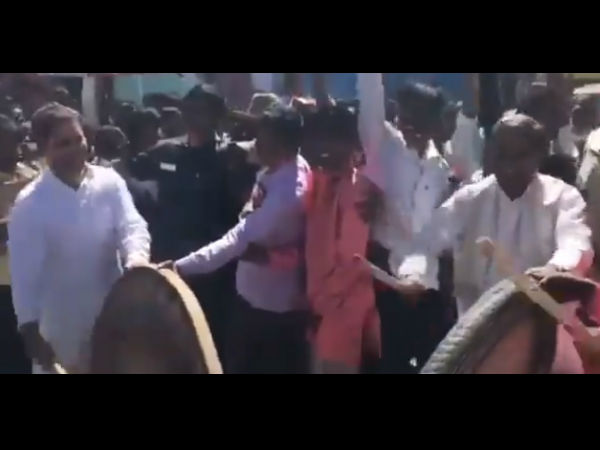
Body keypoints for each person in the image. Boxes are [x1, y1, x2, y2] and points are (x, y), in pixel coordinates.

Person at [165, 105, 311, 374]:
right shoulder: (280, 166)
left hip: (272, 311)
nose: (256, 144)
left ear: (283, 144)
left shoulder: (287, 196)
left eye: (264, 139)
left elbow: (235, 242)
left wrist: (180, 267)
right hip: (248, 297)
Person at [403, 114, 593, 317]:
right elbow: (426, 242)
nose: (509, 167)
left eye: (520, 157)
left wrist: (554, 270)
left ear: (539, 155)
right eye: (502, 156)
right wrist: (415, 275)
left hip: (539, 321)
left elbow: (575, 244)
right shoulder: (470, 199)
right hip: (477, 323)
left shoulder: (562, 197)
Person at [8, 103, 150, 374]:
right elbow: (25, 279)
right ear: (43, 148)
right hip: (61, 335)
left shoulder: (109, 182)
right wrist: (30, 330)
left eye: (78, 139)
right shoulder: (29, 205)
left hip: (113, 324)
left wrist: (136, 259)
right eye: (63, 144)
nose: (76, 149)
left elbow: (132, 226)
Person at [128, 84, 238, 357]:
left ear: (216, 116)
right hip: (168, 266)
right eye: (188, 109)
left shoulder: (230, 157)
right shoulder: (165, 152)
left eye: (201, 110)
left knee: (210, 347)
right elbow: (128, 174)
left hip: (212, 274)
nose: (192, 116)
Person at [355, 73, 452, 373]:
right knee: (391, 363)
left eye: (420, 117)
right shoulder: (383, 145)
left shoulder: (441, 168)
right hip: (386, 280)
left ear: (435, 123)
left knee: (433, 362)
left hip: (427, 285)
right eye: (406, 115)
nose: (409, 124)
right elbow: (370, 94)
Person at [303, 104, 380, 374]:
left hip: (341, 308)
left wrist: (321, 305)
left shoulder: (359, 189)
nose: (324, 148)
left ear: (352, 145)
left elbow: (351, 261)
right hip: (320, 306)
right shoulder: (319, 180)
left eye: (333, 139)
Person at [0, 114, 38, 373]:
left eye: (17, 142)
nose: (16, 151)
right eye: (8, 144)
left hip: (33, 284)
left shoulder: (30, 175)